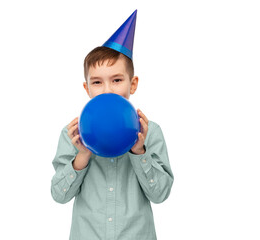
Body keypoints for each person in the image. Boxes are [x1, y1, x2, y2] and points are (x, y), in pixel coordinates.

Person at [51, 10, 174, 240]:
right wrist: (81, 157)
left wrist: (140, 152)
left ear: (133, 84)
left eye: (117, 80)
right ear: (87, 89)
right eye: (97, 82)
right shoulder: (73, 135)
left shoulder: (151, 132)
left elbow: (160, 194)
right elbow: (59, 195)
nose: (107, 90)